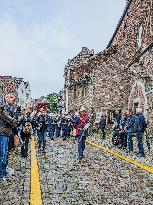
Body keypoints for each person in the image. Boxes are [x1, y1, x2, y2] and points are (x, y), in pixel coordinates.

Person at [0, 96, 18, 181]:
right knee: (3, 154)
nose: (14, 101)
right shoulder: (3, 107)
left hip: (6, 133)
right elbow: (10, 119)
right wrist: (15, 121)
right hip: (3, 133)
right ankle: (2, 174)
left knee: (5, 154)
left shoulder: (6, 107)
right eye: (12, 99)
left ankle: (4, 172)